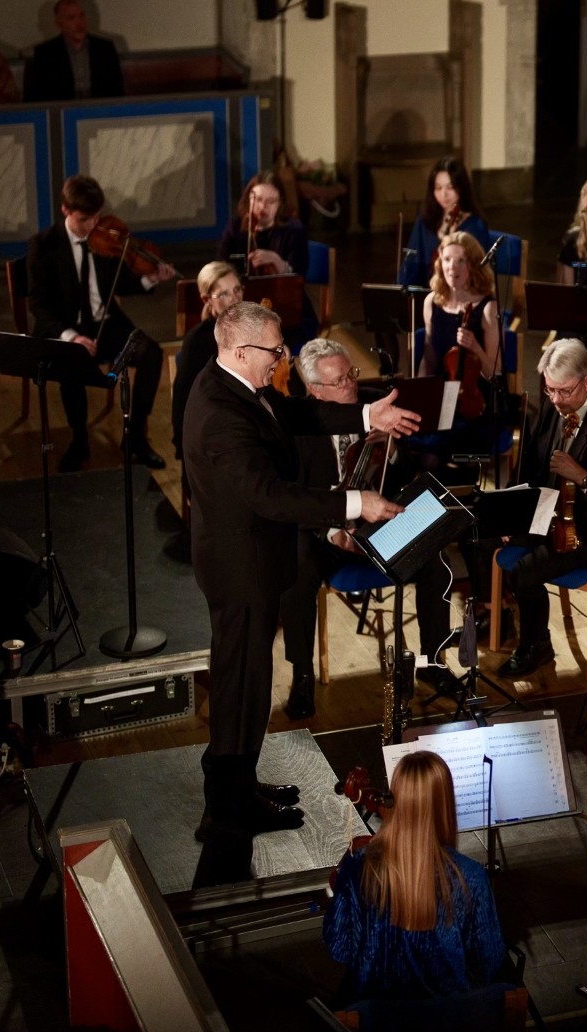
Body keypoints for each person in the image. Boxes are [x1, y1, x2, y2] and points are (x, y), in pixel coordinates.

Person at [184, 303, 415, 840]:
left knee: (249, 682)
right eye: (275, 350)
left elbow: (295, 415)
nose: (281, 358)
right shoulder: (220, 414)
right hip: (239, 568)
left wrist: (367, 416)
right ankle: (227, 805)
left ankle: (238, 784)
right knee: (240, 685)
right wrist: (357, 503)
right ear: (242, 351)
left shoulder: (237, 384)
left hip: (252, 561)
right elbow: (270, 496)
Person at [280, 340, 454, 719]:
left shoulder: (376, 406)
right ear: (315, 390)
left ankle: (433, 661)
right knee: (297, 570)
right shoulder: (297, 425)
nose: (351, 385)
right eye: (339, 381)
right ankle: (302, 674)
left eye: (352, 374)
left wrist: (391, 450)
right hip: (324, 532)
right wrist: (334, 534)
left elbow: (409, 471)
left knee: (434, 559)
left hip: (378, 522)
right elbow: (294, 498)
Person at [470, 339, 587, 678]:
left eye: (565, 391)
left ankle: (537, 646)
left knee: (525, 573)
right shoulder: (553, 407)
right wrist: (512, 514)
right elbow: (531, 465)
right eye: (550, 390)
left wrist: (583, 477)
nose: (557, 400)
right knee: (479, 532)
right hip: (550, 512)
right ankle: (495, 615)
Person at [325, 751, 506, 1002]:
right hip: (448, 1017)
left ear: (394, 798)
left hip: (377, 1016)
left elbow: (339, 946)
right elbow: (489, 963)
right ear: (445, 804)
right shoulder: (472, 877)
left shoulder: (358, 867)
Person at [26, 173, 176, 472]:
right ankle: (79, 439)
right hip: (66, 328)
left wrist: (150, 278)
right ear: (65, 209)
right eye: (85, 219)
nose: (94, 225)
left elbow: (122, 283)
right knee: (71, 363)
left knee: (151, 354)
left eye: (97, 216)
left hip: (106, 324)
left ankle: (135, 438)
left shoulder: (106, 236)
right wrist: (71, 336)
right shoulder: (44, 245)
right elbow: (38, 304)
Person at [216, 170, 317, 348]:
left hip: (285, 308)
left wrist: (278, 262)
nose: (262, 207)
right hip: (244, 306)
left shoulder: (294, 230)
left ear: (281, 203)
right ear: (249, 198)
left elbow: (299, 275)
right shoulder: (236, 226)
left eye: (270, 202)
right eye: (257, 199)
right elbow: (221, 268)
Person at [172, 261, 241, 460]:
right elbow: (183, 397)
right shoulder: (197, 341)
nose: (235, 299)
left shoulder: (253, 329)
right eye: (224, 294)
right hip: (214, 430)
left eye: (237, 289)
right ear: (206, 299)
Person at [421, 231, 502, 380]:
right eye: (447, 259)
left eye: (461, 261)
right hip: (440, 387)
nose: (452, 267)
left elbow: (495, 374)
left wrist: (475, 348)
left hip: (476, 390)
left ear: (473, 265)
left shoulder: (488, 309)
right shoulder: (431, 302)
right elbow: (428, 361)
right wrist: (417, 388)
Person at [399, 157, 491, 287]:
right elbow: (411, 257)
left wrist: (450, 241)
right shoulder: (424, 221)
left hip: (460, 294)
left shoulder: (475, 226)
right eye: (438, 188)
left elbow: (475, 275)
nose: (444, 194)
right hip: (425, 292)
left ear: (461, 188)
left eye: (450, 187)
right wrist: (401, 287)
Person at [23, 0, 122, 102]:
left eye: (81, 16)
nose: (79, 23)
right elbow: (36, 97)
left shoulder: (105, 49)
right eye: (71, 18)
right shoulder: (45, 54)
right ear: (58, 23)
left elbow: (117, 91)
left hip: (100, 109)